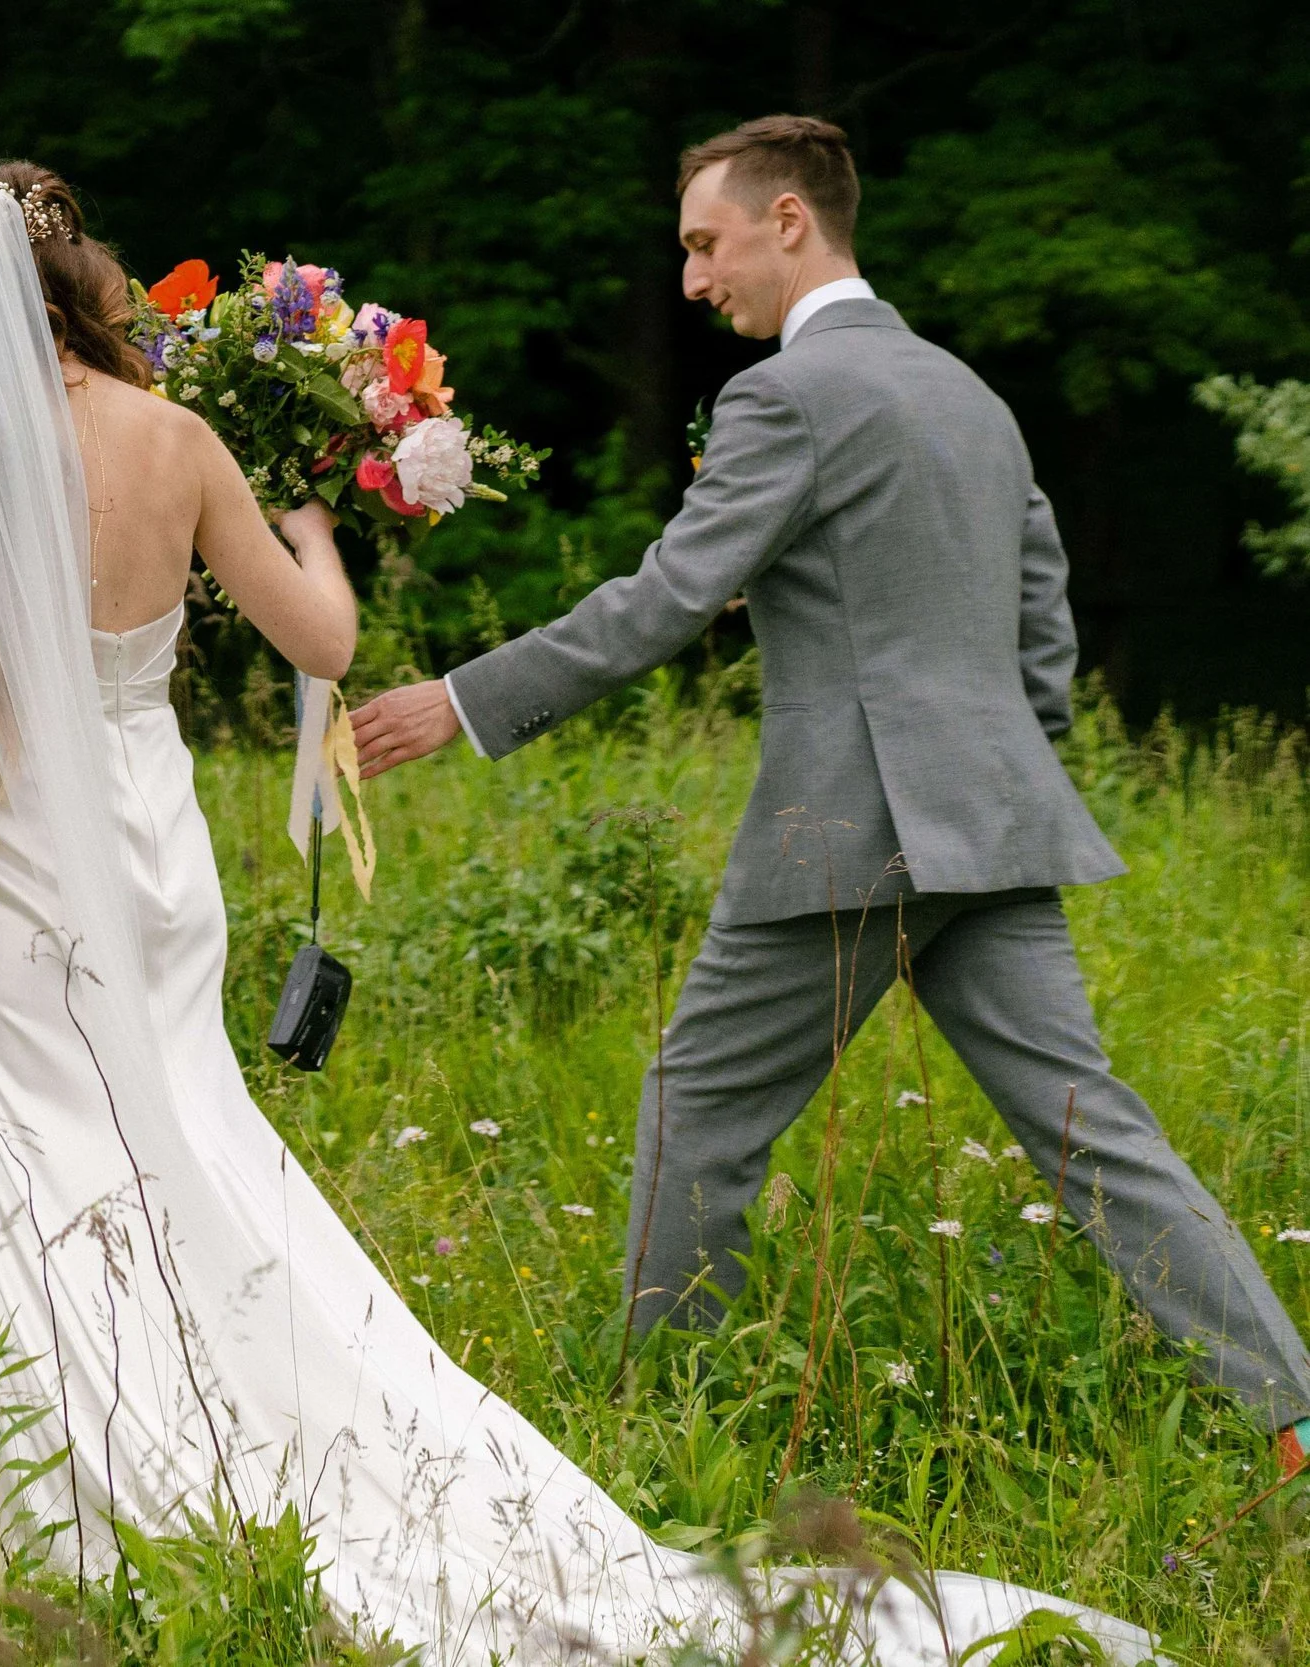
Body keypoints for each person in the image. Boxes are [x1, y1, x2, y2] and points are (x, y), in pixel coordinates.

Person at [0, 158, 1151, 1661]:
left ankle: (75, 1504)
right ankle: (254, 1429)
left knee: (41, 1156)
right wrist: (316, 525)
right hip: (157, 861)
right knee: (187, 1137)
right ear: (78, 276)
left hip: (25, 867)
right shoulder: (178, 435)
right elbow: (323, 642)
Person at [348, 114, 1310, 1488]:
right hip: (990, 829)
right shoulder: (969, 395)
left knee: (698, 1114)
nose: (692, 280)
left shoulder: (786, 398)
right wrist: (992, 782)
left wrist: (458, 700)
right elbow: (1044, 620)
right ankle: (1297, 1423)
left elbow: (667, 598)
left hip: (849, 839)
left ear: (789, 220)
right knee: (1101, 1137)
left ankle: (661, 1444)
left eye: (704, 242)